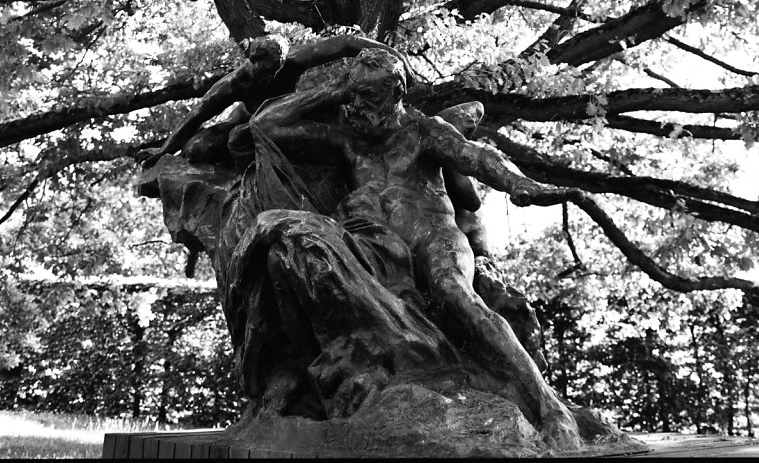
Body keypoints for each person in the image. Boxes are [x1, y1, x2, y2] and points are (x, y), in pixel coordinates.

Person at [242, 47, 580, 453]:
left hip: (433, 237)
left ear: (396, 92)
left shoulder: (423, 131)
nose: (355, 106)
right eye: (353, 96)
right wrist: (335, 90)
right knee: (295, 260)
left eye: (366, 96)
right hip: (380, 251)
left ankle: (550, 408)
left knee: (454, 293)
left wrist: (517, 183)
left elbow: (475, 157)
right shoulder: (349, 142)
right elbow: (266, 123)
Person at [138, 31, 414, 168]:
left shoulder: (293, 60)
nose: (271, 76)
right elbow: (197, 114)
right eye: (266, 71)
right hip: (247, 119)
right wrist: (163, 151)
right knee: (196, 150)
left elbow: (345, 42)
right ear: (251, 61)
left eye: (277, 69)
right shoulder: (231, 85)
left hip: (289, 113)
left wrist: (397, 58)